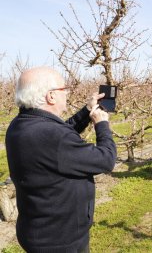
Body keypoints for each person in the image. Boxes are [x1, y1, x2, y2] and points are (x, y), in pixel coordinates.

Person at [5, 66, 117, 253]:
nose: (67, 93)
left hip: (38, 231)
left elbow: (61, 133)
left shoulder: (21, 125)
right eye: (64, 89)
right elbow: (106, 159)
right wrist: (102, 124)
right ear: (51, 96)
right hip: (62, 240)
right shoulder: (52, 135)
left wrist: (86, 111)